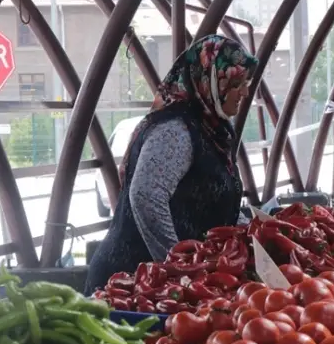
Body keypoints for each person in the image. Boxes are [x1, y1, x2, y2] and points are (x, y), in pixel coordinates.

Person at [85, 35, 258, 295]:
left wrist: (256, 232)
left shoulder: (212, 129)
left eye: (245, 83)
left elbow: (215, 202)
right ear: (208, 83)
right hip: (131, 283)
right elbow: (146, 196)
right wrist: (177, 266)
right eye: (235, 83)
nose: (244, 92)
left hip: (163, 285)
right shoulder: (176, 130)